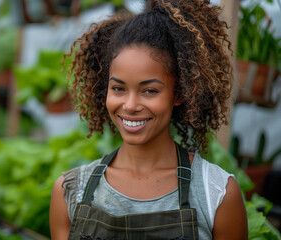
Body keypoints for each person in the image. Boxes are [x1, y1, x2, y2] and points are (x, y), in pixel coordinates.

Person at [50, 0, 248, 239]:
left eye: (149, 91)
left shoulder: (216, 192)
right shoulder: (70, 191)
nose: (130, 106)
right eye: (118, 89)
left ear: (179, 94)